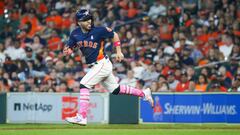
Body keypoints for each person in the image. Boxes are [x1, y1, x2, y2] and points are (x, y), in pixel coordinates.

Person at [63, 9, 154, 126]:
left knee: (84, 84)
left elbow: (114, 35)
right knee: (115, 90)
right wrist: (68, 50)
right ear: (79, 22)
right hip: (96, 66)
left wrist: (119, 51)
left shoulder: (98, 31)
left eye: (90, 18)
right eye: (85, 20)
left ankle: (82, 116)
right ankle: (144, 94)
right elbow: (70, 47)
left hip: (101, 64)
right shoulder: (75, 33)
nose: (89, 21)